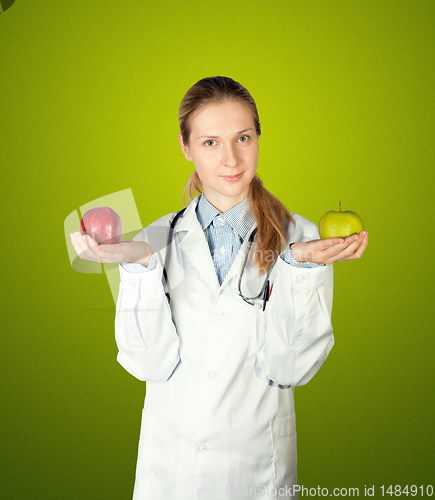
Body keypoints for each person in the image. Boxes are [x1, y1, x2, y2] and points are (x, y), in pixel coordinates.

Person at [70, 76, 368, 500]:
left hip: (256, 472)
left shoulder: (299, 237)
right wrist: (139, 267)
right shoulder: (155, 237)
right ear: (186, 147)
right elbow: (148, 365)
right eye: (210, 142)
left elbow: (292, 370)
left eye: (242, 138)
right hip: (169, 473)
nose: (231, 158)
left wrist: (297, 267)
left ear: (258, 139)